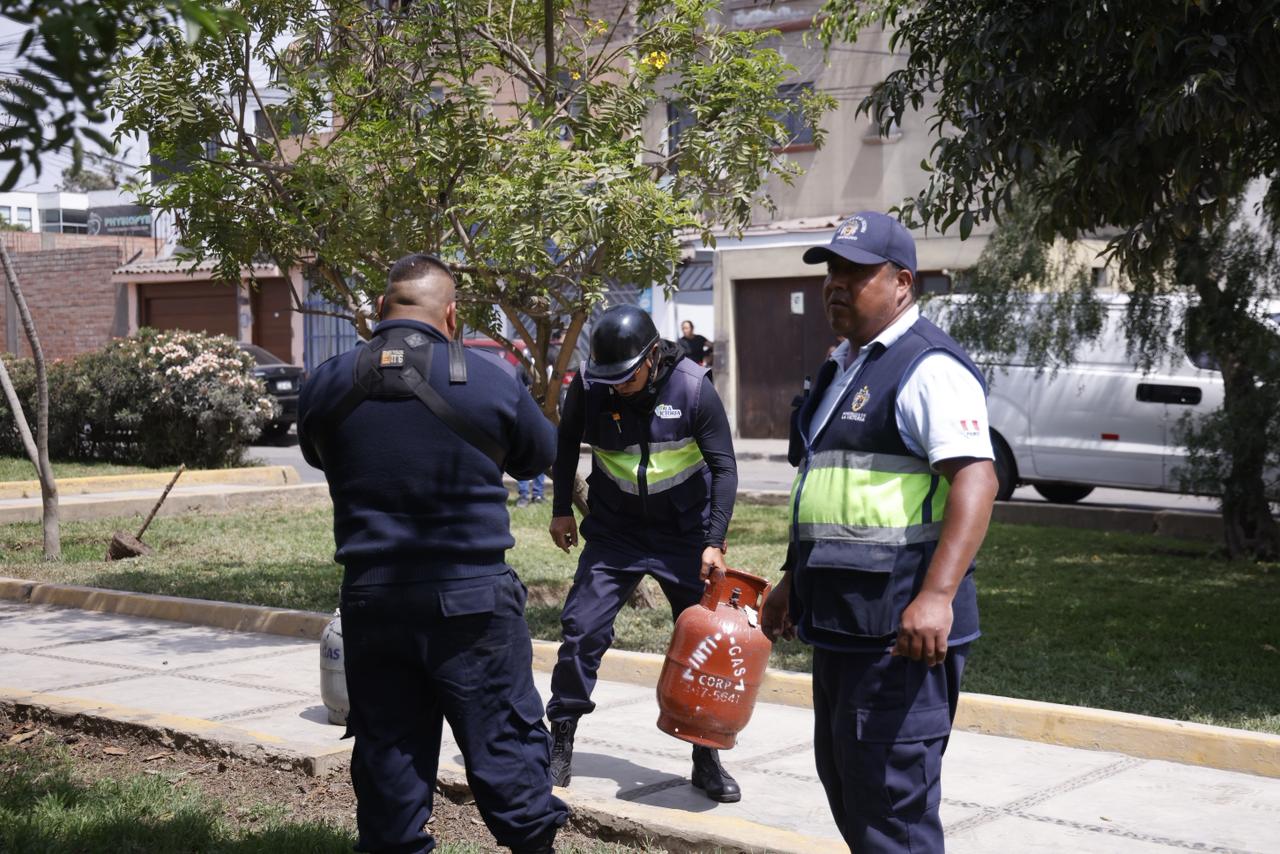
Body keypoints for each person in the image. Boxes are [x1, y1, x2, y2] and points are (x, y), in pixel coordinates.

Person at [298, 253, 568, 854]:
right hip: (471, 604)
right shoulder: (491, 378)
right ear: (451, 314)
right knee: (506, 748)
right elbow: (536, 456)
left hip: (373, 601)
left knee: (388, 759)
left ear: (378, 309)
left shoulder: (326, 383)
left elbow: (319, 453)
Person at [761, 213, 998, 853]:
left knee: (892, 812)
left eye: (855, 272)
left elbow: (976, 482)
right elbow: (832, 486)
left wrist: (938, 596)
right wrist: (791, 580)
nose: (836, 285)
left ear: (901, 282)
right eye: (831, 272)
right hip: (842, 621)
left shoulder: (926, 366)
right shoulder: (845, 366)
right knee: (851, 791)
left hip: (900, 634)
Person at [546, 304, 742, 802]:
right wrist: (560, 510)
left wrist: (714, 541)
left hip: (685, 535)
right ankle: (560, 739)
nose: (617, 386)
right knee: (581, 629)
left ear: (653, 356)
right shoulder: (591, 387)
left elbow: (724, 468)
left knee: (705, 647)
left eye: (626, 377)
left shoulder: (694, 388)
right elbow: (566, 444)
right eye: (608, 378)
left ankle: (705, 758)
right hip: (616, 532)